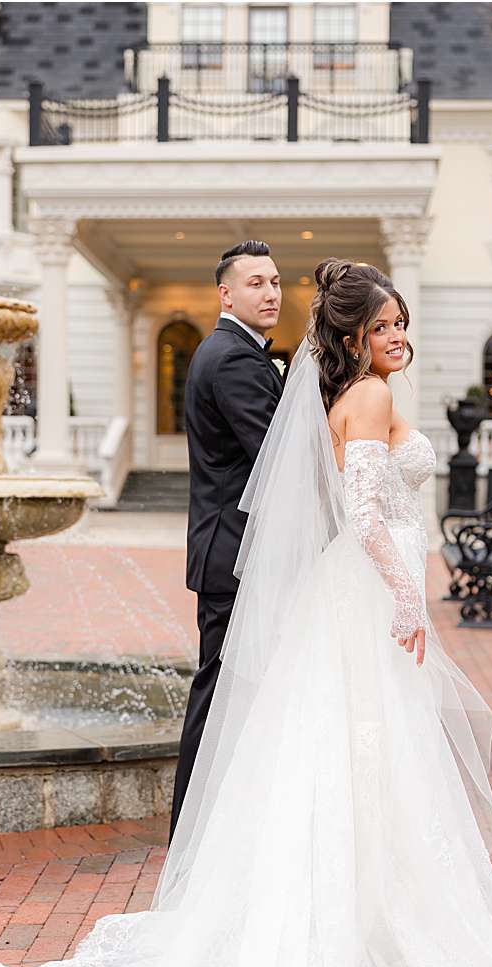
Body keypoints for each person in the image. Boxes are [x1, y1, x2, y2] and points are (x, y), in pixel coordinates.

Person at [0, 258, 492, 967]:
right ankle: (368, 934)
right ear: (358, 337)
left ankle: (368, 927)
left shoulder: (349, 394)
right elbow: (364, 517)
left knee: (356, 763)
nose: (402, 338)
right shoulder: (363, 398)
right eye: (388, 326)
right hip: (367, 599)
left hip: (352, 598)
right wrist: (407, 599)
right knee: (367, 758)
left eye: (405, 324)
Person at [176, 239, 285, 839]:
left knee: (227, 691)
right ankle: (192, 836)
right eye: (255, 283)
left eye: (274, 282)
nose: (270, 292)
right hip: (234, 553)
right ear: (226, 293)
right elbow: (276, 457)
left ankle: (214, 832)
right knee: (217, 693)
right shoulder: (236, 359)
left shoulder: (227, 351)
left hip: (231, 548)